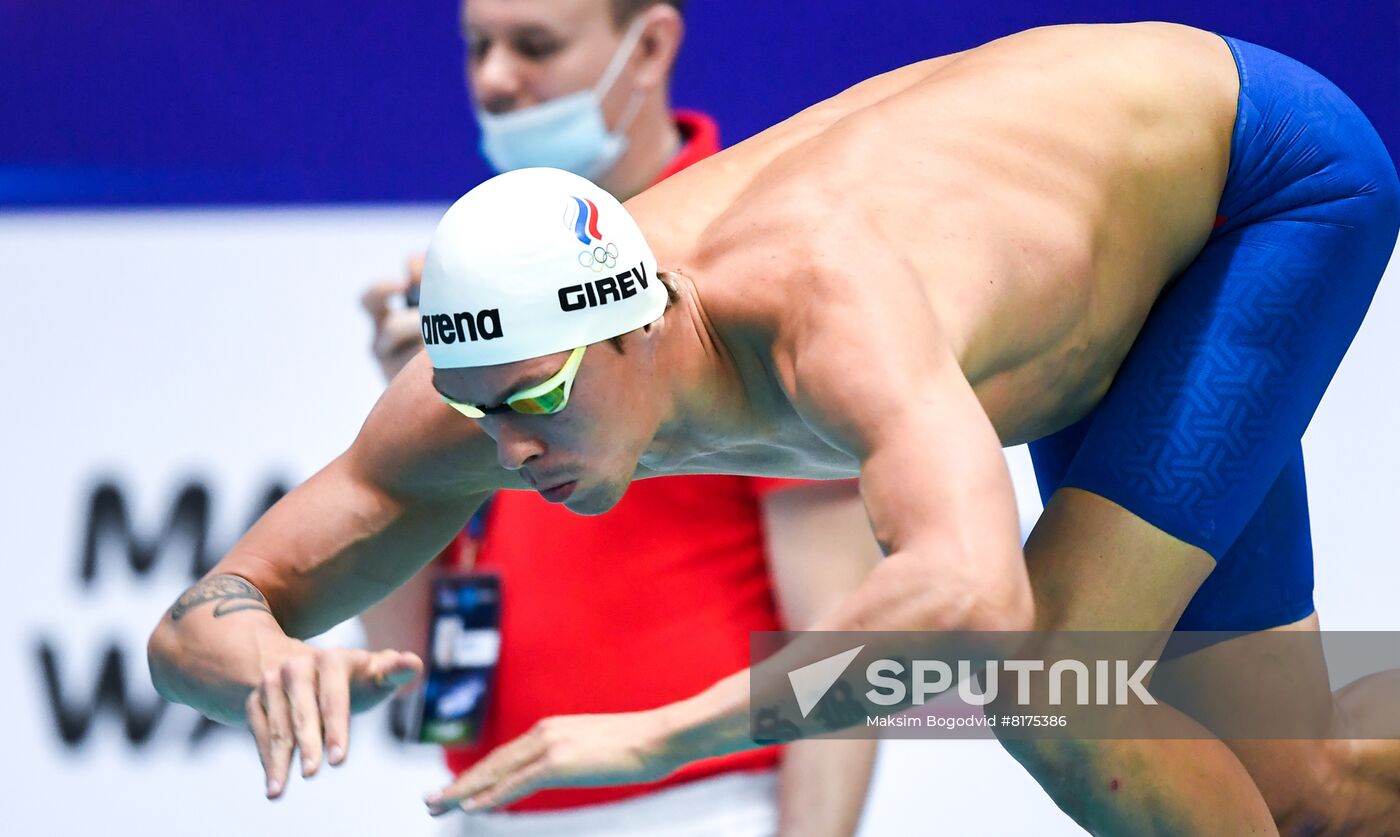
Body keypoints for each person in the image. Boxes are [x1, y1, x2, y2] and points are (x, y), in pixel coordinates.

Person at [148, 22, 1400, 835]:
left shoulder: (818, 301)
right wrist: (258, 654)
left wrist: (660, 733)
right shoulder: (491, 396)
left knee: (1051, 682)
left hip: (1258, 185)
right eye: (480, 411)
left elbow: (971, 604)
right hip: (1100, 266)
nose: (510, 450)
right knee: (1297, 789)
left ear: (636, 326)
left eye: (535, 399)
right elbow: (198, 617)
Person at [355, 1, 880, 834]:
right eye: (477, 46)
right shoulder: (478, 276)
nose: (493, 78)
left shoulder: (758, 259)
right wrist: (413, 423)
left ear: (652, 46)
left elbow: (840, 646)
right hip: (486, 807)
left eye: (535, 45)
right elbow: (405, 657)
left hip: (706, 805)